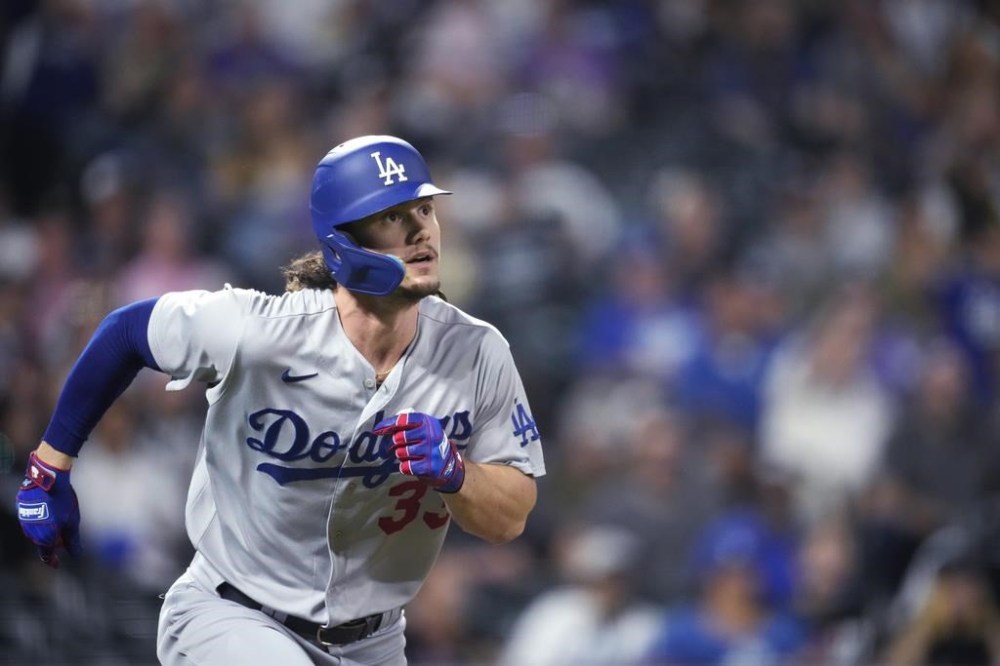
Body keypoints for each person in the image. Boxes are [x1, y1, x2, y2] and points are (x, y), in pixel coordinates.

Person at [14, 135, 546, 665]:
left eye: (425, 208)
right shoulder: (260, 331)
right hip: (232, 616)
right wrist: (48, 467)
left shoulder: (477, 352)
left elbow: (510, 518)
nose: (421, 229)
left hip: (375, 644)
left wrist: (457, 472)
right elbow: (126, 332)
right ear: (343, 245)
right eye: (392, 216)